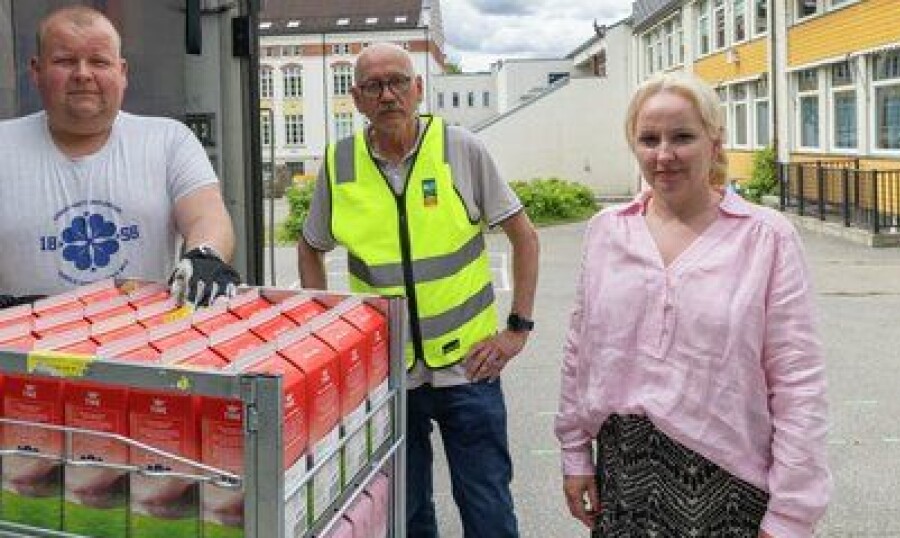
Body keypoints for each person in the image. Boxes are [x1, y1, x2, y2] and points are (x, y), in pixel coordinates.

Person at [555, 72, 831, 538]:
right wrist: (575, 453)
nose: (664, 155)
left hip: (730, 485)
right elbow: (579, 352)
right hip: (623, 478)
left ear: (714, 142)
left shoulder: (766, 238)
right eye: (649, 139)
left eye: (682, 137)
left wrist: (791, 512)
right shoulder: (607, 231)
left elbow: (797, 381)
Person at [297, 42, 539, 537]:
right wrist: (327, 337)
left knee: (488, 510)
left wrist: (517, 329)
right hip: (389, 375)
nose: (387, 95)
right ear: (356, 99)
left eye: (398, 82)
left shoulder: (459, 148)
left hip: (470, 367)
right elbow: (310, 247)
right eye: (372, 86)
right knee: (405, 516)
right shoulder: (340, 164)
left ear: (418, 89)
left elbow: (525, 237)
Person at [0, 5, 239, 308]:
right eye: (65, 61)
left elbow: (207, 215)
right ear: (36, 71)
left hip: (147, 334)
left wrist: (206, 255)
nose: (82, 74)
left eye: (99, 61)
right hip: (21, 335)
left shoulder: (169, 141)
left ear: (122, 72)